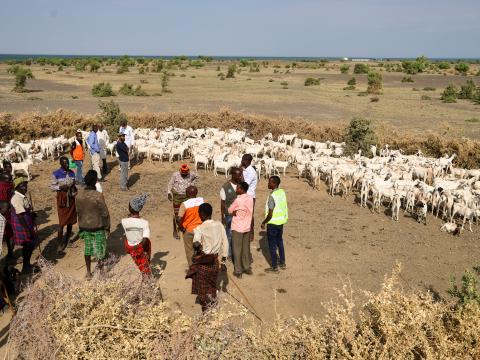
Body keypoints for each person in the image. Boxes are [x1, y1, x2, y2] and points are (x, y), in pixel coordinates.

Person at [186, 203, 228, 312]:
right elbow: (225, 243)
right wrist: (223, 262)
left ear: (203, 215)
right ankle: (213, 307)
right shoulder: (219, 225)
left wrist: (197, 246)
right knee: (213, 285)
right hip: (215, 262)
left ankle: (206, 312)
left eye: (199, 213)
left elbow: (196, 243)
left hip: (204, 263)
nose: (199, 216)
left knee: (203, 290)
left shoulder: (199, 228)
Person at [76, 170, 110, 278]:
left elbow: (78, 212)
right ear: (95, 181)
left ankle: (88, 272)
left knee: (88, 249)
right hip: (98, 226)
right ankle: (100, 271)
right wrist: (107, 226)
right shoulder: (98, 196)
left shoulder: (79, 195)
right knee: (100, 249)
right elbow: (105, 213)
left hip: (85, 226)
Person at [10, 177, 38, 273]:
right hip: (22, 226)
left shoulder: (22, 195)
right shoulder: (16, 198)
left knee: (29, 246)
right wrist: (28, 230)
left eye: (25, 185)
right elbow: (21, 216)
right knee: (27, 245)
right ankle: (26, 267)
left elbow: (26, 210)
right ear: (16, 187)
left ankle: (27, 265)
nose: (25, 187)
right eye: (22, 186)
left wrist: (32, 215)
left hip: (27, 223)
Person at [50, 156, 77, 254]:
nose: (67, 165)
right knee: (61, 223)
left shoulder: (72, 172)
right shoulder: (55, 174)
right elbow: (52, 186)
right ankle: (60, 244)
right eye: (65, 163)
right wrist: (61, 186)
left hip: (71, 198)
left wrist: (73, 187)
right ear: (61, 164)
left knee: (70, 221)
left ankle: (67, 240)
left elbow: (74, 184)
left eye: (68, 163)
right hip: (62, 199)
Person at [261, 176, 288, 273]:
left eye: (269, 182)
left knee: (272, 246)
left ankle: (274, 267)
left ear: (274, 184)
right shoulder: (282, 192)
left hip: (272, 223)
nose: (268, 184)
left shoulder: (272, 196)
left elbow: (270, 213)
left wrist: (264, 222)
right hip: (280, 222)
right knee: (280, 242)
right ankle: (282, 263)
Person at [228, 181, 254, 278]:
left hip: (238, 227)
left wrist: (234, 212)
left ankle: (238, 270)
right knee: (245, 248)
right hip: (247, 226)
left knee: (237, 249)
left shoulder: (238, 200)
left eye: (238, 188)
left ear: (242, 189)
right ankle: (247, 267)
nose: (236, 189)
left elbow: (229, 210)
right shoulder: (250, 198)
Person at [122, 194, 151, 276]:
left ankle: (145, 276)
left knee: (139, 264)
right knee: (145, 266)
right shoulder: (144, 223)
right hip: (140, 247)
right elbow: (145, 240)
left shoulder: (124, 221)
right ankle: (148, 281)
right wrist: (144, 251)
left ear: (130, 208)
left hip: (130, 247)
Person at [167, 164, 198, 239]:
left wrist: (192, 184)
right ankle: (175, 230)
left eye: (185, 174)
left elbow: (197, 176)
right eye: (183, 174)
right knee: (176, 214)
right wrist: (168, 193)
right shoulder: (175, 175)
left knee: (187, 212)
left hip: (187, 196)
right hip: (177, 196)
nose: (184, 175)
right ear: (180, 171)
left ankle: (185, 227)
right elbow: (170, 184)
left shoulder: (191, 174)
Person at [177, 186, 204, 267]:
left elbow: (179, 218)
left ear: (187, 194)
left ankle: (192, 268)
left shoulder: (185, 204)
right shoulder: (201, 200)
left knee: (189, 250)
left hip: (189, 230)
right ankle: (202, 266)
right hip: (200, 229)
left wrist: (181, 227)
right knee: (201, 248)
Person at [220, 167, 242, 259]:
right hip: (229, 215)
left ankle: (237, 252)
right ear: (233, 175)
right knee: (229, 234)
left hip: (240, 214)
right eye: (238, 175)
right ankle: (228, 253)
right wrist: (223, 218)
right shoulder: (225, 187)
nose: (240, 177)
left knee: (238, 235)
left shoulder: (241, 186)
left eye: (240, 175)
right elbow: (222, 203)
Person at [0, 173, 15, 260]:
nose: (10, 181)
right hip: (3, 213)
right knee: (6, 233)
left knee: (10, 233)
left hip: (9, 211)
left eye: (10, 179)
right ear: (2, 179)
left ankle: (10, 253)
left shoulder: (9, 185)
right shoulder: (1, 187)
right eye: (8, 180)